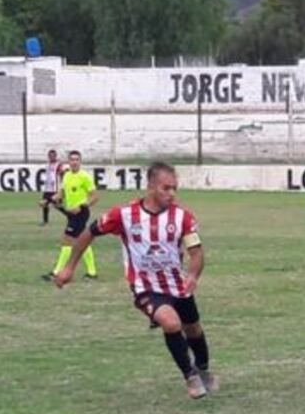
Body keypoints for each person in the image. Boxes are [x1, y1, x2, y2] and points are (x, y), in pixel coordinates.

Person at [54, 162, 215, 400]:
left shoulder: (182, 217)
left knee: (193, 328)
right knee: (171, 323)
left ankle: (202, 369)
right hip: (144, 286)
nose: (172, 194)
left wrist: (192, 274)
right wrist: (69, 267)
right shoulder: (124, 215)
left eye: (174, 188)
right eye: (166, 188)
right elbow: (89, 232)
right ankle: (190, 376)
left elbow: (197, 252)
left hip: (177, 284)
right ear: (150, 186)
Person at [43, 150, 97, 281]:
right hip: (71, 213)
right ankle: (92, 272)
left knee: (67, 240)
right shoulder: (67, 176)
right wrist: (48, 200)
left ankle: (57, 272)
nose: (74, 162)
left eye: (76, 159)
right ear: (68, 162)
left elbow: (95, 196)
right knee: (82, 241)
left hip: (81, 213)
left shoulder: (85, 176)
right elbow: (61, 194)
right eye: (72, 159)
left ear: (80, 161)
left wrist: (82, 207)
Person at [38, 149, 66, 226]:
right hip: (47, 188)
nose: (51, 157)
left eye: (53, 155)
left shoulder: (59, 164)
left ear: (55, 156)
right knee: (45, 205)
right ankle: (45, 221)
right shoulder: (47, 164)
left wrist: (62, 184)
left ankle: (70, 216)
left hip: (55, 188)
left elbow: (63, 173)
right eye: (50, 155)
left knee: (57, 206)